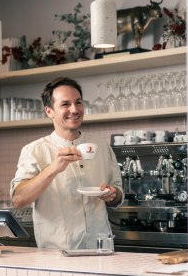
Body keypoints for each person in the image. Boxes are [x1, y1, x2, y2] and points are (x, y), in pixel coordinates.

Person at [10, 77, 123, 249]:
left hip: (101, 248)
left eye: (78, 102)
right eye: (65, 104)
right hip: (58, 252)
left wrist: (113, 195)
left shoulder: (101, 146)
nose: (74, 109)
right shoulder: (34, 150)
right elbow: (18, 200)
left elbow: (118, 191)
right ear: (49, 111)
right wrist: (53, 169)